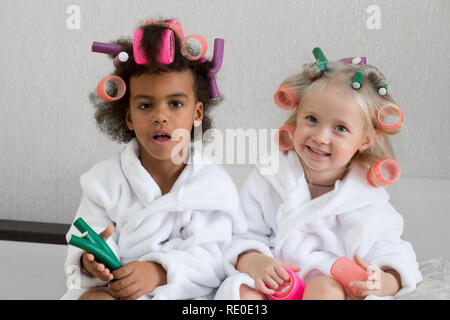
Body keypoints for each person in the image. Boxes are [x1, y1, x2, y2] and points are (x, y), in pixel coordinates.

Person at [215, 49, 422, 300]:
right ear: (297, 118)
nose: (321, 137)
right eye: (312, 119)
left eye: (340, 128)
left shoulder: (367, 200)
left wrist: (384, 281)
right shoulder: (270, 177)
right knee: (243, 292)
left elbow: (396, 255)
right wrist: (255, 262)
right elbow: (240, 235)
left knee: (325, 290)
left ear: (365, 140)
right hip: (276, 281)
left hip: (329, 283)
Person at [62, 19, 245, 300]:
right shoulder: (104, 181)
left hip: (184, 293)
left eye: (176, 104)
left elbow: (213, 258)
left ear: (197, 113)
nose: (161, 116)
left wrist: (159, 272)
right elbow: (87, 236)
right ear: (129, 117)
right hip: (120, 291)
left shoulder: (212, 184)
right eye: (146, 105)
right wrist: (91, 262)